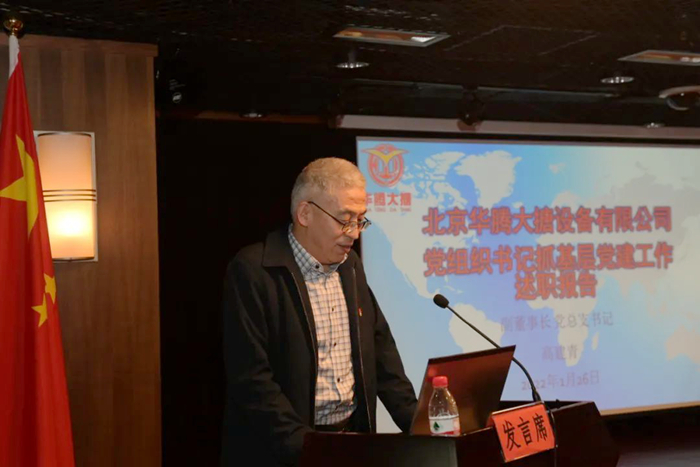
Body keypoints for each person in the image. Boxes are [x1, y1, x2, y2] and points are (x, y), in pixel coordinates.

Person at [221, 157, 417, 467]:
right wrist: (307, 450)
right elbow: (252, 381)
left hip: (352, 444)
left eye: (360, 220)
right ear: (305, 214)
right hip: (284, 453)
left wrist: (421, 426)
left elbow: (380, 352)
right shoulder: (254, 271)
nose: (354, 233)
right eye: (344, 220)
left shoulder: (350, 266)